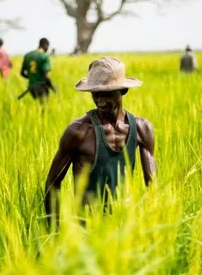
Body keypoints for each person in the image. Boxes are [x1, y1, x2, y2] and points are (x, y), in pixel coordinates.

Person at [43, 56, 157, 225]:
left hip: (123, 224)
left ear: (123, 91)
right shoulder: (78, 132)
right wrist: (55, 230)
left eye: (108, 94)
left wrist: (151, 224)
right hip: (86, 228)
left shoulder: (142, 129)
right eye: (95, 94)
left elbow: (152, 184)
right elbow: (52, 184)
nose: (100, 101)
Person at [20, 38, 56, 104]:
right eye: (47, 47)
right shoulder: (44, 56)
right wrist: (53, 88)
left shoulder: (27, 55)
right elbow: (46, 77)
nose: (47, 49)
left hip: (31, 88)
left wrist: (32, 77)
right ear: (45, 45)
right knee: (44, 109)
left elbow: (22, 73)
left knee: (37, 107)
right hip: (41, 87)